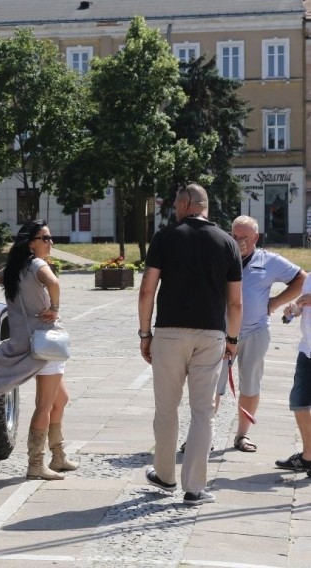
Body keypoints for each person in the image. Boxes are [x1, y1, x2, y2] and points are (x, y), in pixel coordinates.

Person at [138, 183, 242, 506]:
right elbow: (235, 303)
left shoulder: (165, 237)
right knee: (203, 411)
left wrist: (145, 334)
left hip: (169, 332)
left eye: (175, 204)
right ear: (205, 206)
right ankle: (195, 488)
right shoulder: (227, 242)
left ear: (185, 204)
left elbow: (146, 290)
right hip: (211, 334)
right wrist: (233, 340)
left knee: (166, 408)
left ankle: (166, 476)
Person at [0, 221, 76, 480]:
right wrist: (55, 308)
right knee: (45, 405)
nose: (50, 243)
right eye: (45, 238)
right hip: (45, 344)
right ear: (31, 242)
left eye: (50, 237)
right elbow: (54, 283)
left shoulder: (14, 269)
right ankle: (36, 463)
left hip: (29, 343)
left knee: (61, 400)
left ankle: (58, 456)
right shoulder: (37, 265)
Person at [213, 216, 305, 453]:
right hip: (220, 334)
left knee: (250, 384)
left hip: (254, 331)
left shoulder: (268, 260)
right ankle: (204, 434)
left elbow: (300, 278)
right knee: (210, 386)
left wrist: (274, 302)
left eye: (244, 237)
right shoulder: (219, 255)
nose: (239, 241)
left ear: (255, 238)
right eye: (234, 236)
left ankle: (242, 435)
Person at [276, 282, 311, 472]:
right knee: (298, 402)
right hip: (307, 350)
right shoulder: (310, 278)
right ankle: (308, 456)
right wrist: (292, 312)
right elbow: (303, 310)